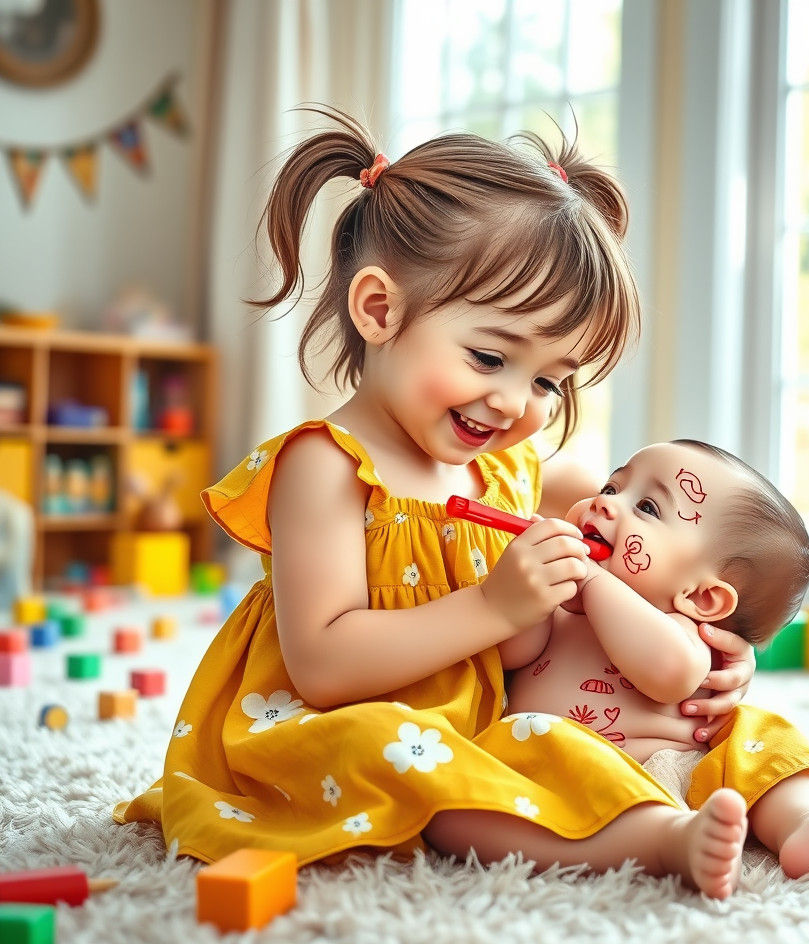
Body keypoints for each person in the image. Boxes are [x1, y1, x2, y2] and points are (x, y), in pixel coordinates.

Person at [114, 109, 757, 900]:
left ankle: (791, 818)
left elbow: (640, 543)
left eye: (550, 381)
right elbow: (322, 665)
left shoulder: (513, 466)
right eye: (490, 356)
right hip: (337, 727)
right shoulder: (325, 466)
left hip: (477, 724)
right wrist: (493, 605)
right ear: (379, 310)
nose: (515, 403)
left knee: (614, 735)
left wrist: (711, 643)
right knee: (403, 748)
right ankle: (656, 843)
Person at [504, 440, 809, 879]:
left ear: (700, 596)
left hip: (676, 771)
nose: (606, 504)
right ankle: (666, 839)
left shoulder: (680, 628)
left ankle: (806, 825)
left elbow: (668, 673)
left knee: (762, 739)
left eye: (647, 508)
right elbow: (510, 652)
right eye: (611, 487)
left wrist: (594, 583)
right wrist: (524, 585)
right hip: (564, 768)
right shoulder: (560, 602)